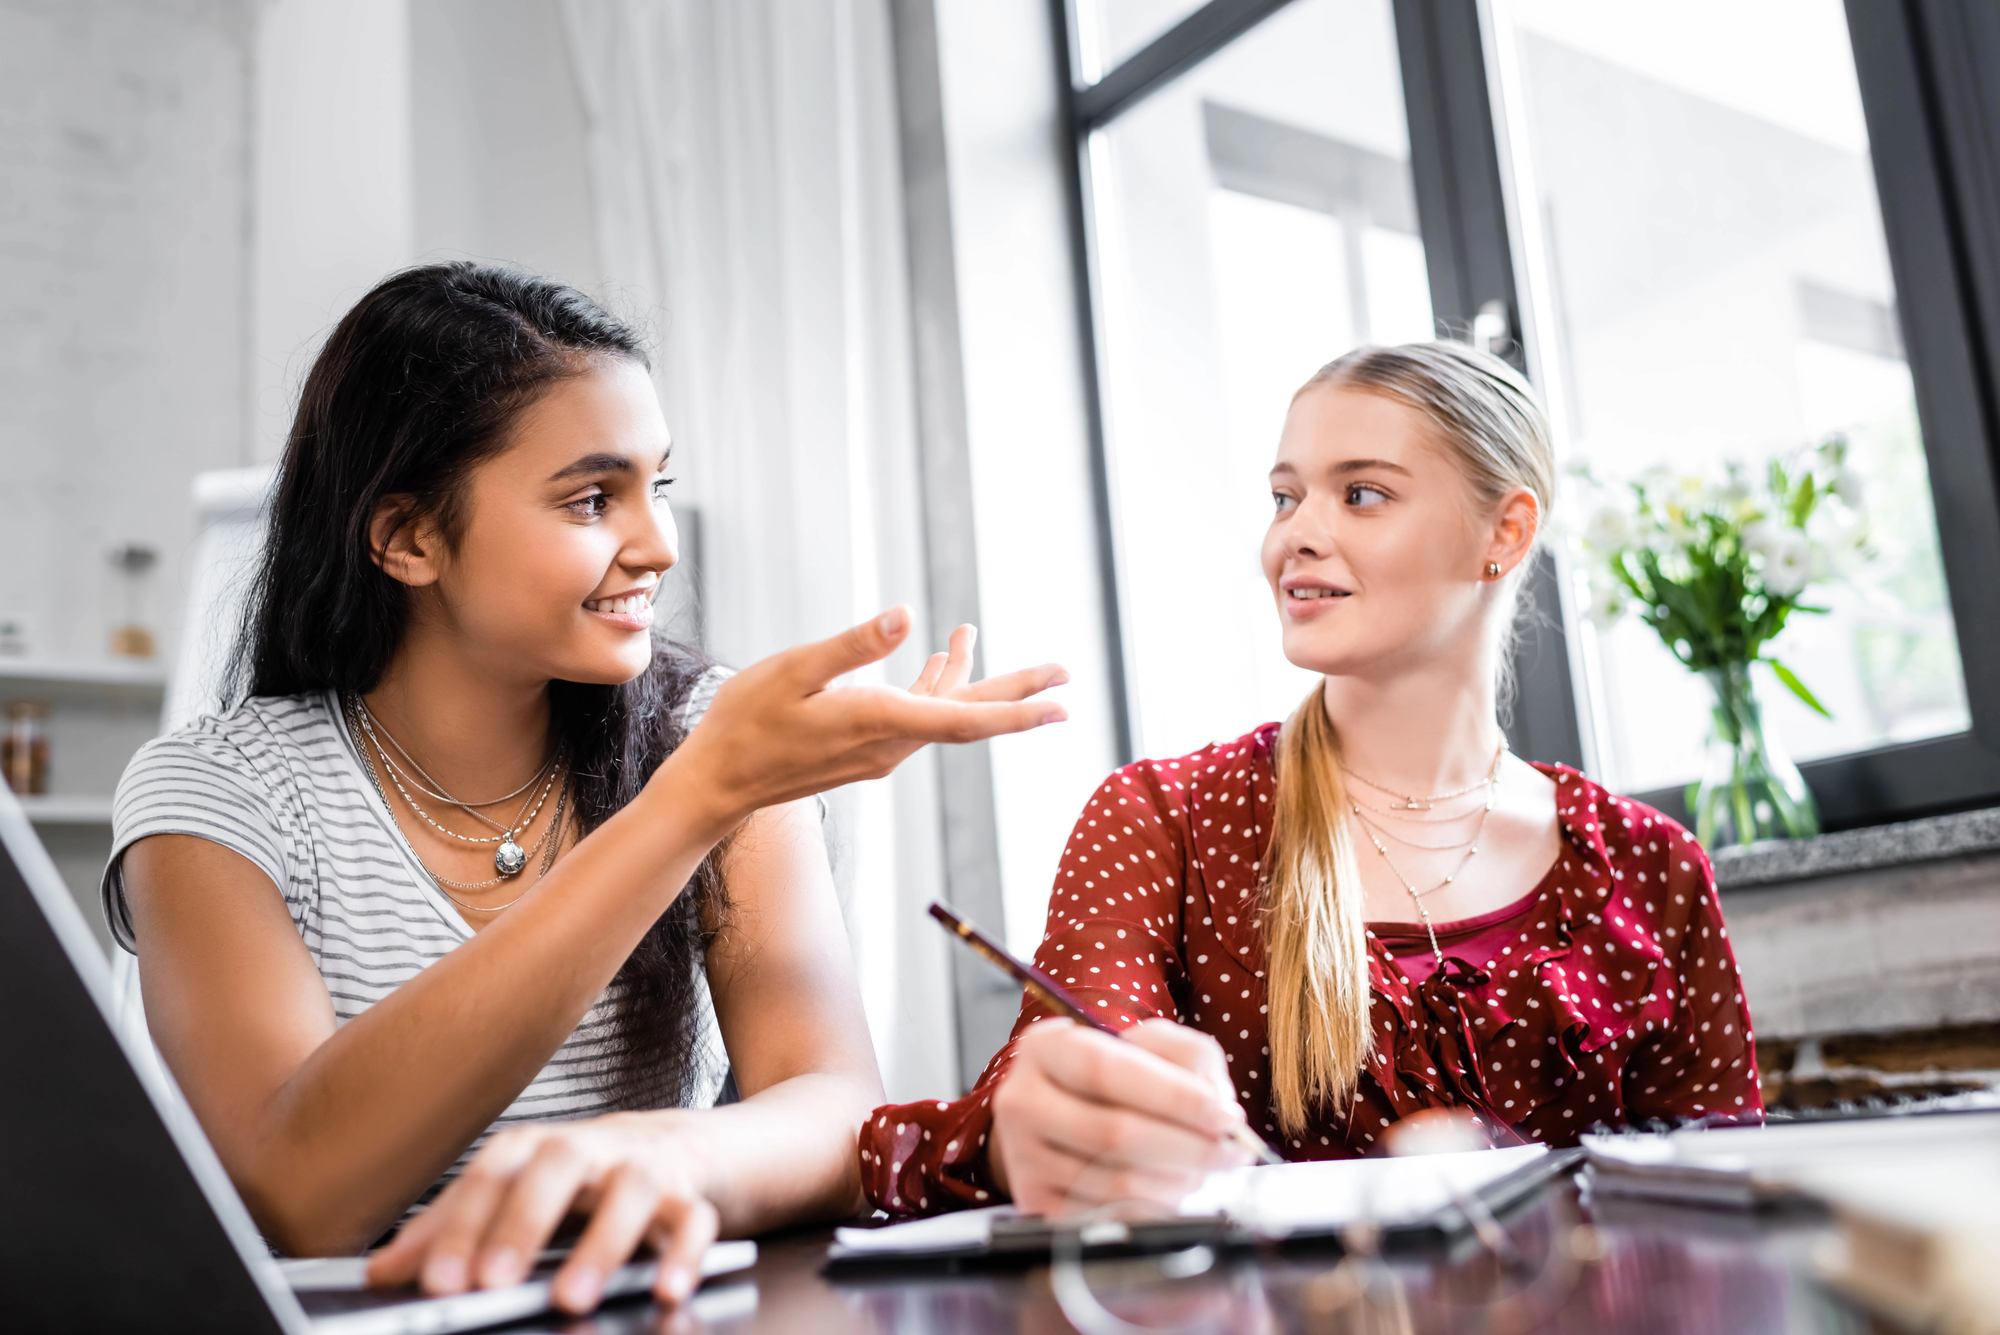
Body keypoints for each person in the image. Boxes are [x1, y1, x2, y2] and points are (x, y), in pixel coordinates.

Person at [107, 263, 1067, 1312]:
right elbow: (298, 1192)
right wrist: (690, 805)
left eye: (655, 484)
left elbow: (837, 1108)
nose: (655, 544)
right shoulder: (214, 796)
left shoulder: (710, 737)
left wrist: (664, 1154)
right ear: (407, 538)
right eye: (591, 498)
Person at [861, 340, 1762, 1218]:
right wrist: (1056, 1119)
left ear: (1506, 529)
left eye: (1361, 494)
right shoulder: (1163, 819)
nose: (1297, 534)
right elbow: (1051, 1084)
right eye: (1285, 496)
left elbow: (1725, 1213)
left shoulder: (1655, 868)